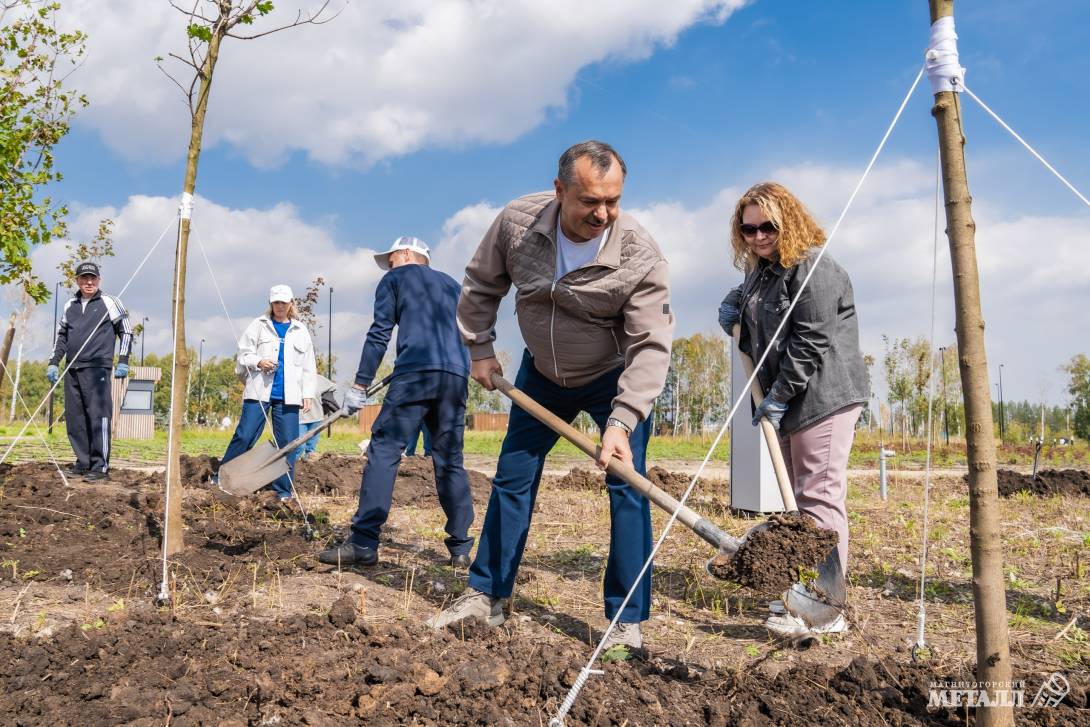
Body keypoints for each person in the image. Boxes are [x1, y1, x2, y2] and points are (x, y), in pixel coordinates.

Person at [429, 141, 674, 652]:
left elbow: (650, 344)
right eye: (590, 201)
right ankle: (486, 595)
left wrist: (622, 420)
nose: (603, 213)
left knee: (628, 485)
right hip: (540, 374)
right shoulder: (518, 223)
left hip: (611, 378)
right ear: (560, 190)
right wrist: (480, 349)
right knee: (513, 477)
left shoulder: (639, 256)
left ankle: (626, 621)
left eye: (613, 200)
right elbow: (480, 285)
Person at [717, 182, 869, 641]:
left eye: (768, 227)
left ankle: (827, 607)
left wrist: (778, 395)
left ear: (789, 222)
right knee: (796, 502)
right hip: (786, 398)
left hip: (822, 395)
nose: (758, 237)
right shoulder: (761, 273)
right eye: (748, 229)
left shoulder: (815, 267)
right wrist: (734, 303)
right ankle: (802, 588)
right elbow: (755, 306)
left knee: (818, 497)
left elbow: (811, 341)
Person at [318, 236, 474, 568]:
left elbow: (379, 332)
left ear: (405, 254)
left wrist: (359, 385)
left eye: (391, 259)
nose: (388, 265)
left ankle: (362, 543)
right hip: (456, 375)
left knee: (385, 448)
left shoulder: (395, 278)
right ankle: (461, 548)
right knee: (449, 460)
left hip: (415, 374)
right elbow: (470, 330)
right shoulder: (452, 285)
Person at [216, 285, 317, 501]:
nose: (280, 306)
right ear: (271, 304)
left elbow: (309, 365)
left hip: (289, 396)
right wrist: (258, 361)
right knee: (244, 435)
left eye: (284, 302)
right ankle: (223, 477)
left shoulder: (300, 330)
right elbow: (243, 356)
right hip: (259, 392)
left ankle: (283, 491)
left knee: (289, 443)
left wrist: (307, 393)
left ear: (291, 304)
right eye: (276, 302)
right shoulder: (259, 325)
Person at [46, 262, 134, 481]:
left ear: (99, 280)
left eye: (93, 278)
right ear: (77, 280)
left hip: (98, 369)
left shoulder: (110, 302)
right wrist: (54, 362)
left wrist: (123, 360)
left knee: (98, 417)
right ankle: (83, 462)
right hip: (72, 368)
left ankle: (99, 466)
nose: (89, 282)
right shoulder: (69, 306)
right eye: (84, 278)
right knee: (75, 419)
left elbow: (126, 331)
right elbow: (61, 337)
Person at [295, 373, 338, 460]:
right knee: (299, 446)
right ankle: (290, 467)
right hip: (300, 419)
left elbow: (331, 391)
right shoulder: (295, 378)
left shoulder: (320, 379)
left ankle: (307, 469)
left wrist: (335, 407)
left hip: (317, 418)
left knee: (311, 450)